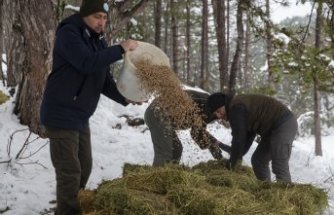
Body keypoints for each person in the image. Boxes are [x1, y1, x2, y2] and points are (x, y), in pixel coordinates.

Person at [40, 0, 139, 214]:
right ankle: (68, 210)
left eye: (104, 18)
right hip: (60, 113)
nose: (101, 22)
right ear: (84, 15)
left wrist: (125, 97)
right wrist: (120, 48)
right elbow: (86, 62)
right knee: (69, 171)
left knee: (84, 167)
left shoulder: (98, 42)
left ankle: (72, 205)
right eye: (96, 17)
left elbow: (103, 80)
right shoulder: (69, 34)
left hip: (80, 115)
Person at [206, 93, 298, 183]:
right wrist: (224, 148)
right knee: (258, 160)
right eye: (215, 114)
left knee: (279, 163)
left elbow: (238, 139)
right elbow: (241, 146)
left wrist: (232, 165)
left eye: (218, 111)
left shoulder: (236, 108)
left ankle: (286, 195)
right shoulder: (239, 109)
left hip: (283, 123)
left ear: (224, 104)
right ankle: (266, 189)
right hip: (270, 131)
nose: (218, 116)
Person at [144, 89, 231, 166]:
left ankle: (168, 176)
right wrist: (216, 146)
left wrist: (214, 146)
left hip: (165, 119)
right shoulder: (206, 103)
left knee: (176, 150)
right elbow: (198, 132)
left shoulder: (212, 109)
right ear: (223, 103)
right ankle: (156, 180)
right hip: (157, 112)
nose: (219, 116)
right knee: (166, 151)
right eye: (219, 112)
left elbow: (196, 133)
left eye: (222, 117)